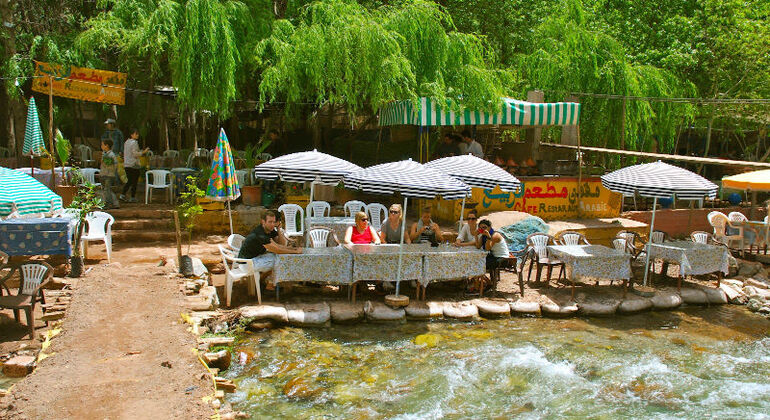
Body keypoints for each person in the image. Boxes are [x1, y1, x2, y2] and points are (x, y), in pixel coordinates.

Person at [238, 210, 302, 275]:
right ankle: (271, 284)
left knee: (276, 257)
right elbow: (277, 250)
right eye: (270, 222)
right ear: (263, 222)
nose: (272, 224)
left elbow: (280, 245)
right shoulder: (260, 234)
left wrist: (279, 229)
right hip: (246, 264)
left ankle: (265, 281)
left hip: (254, 259)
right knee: (280, 261)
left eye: (274, 222)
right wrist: (295, 252)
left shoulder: (269, 230)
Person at [120, 128, 149, 203]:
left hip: (127, 164)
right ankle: (132, 196)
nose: (137, 135)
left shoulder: (126, 142)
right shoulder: (134, 142)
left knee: (130, 180)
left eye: (137, 134)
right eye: (136, 134)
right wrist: (143, 152)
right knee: (134, 181)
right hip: (133, 164)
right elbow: (135, 153)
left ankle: (123, 194)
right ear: (131, 134)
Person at [99, 139, 120, 209]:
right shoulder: (104, 154)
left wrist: (111, 170)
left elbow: (114, 164)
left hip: (109, 175)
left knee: (107, 190)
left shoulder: (111, 155)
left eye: (102, 145)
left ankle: (108, 203)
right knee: (107, 190)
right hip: (104, 174)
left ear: (107, 146)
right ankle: (115, 203)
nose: (101, 146)